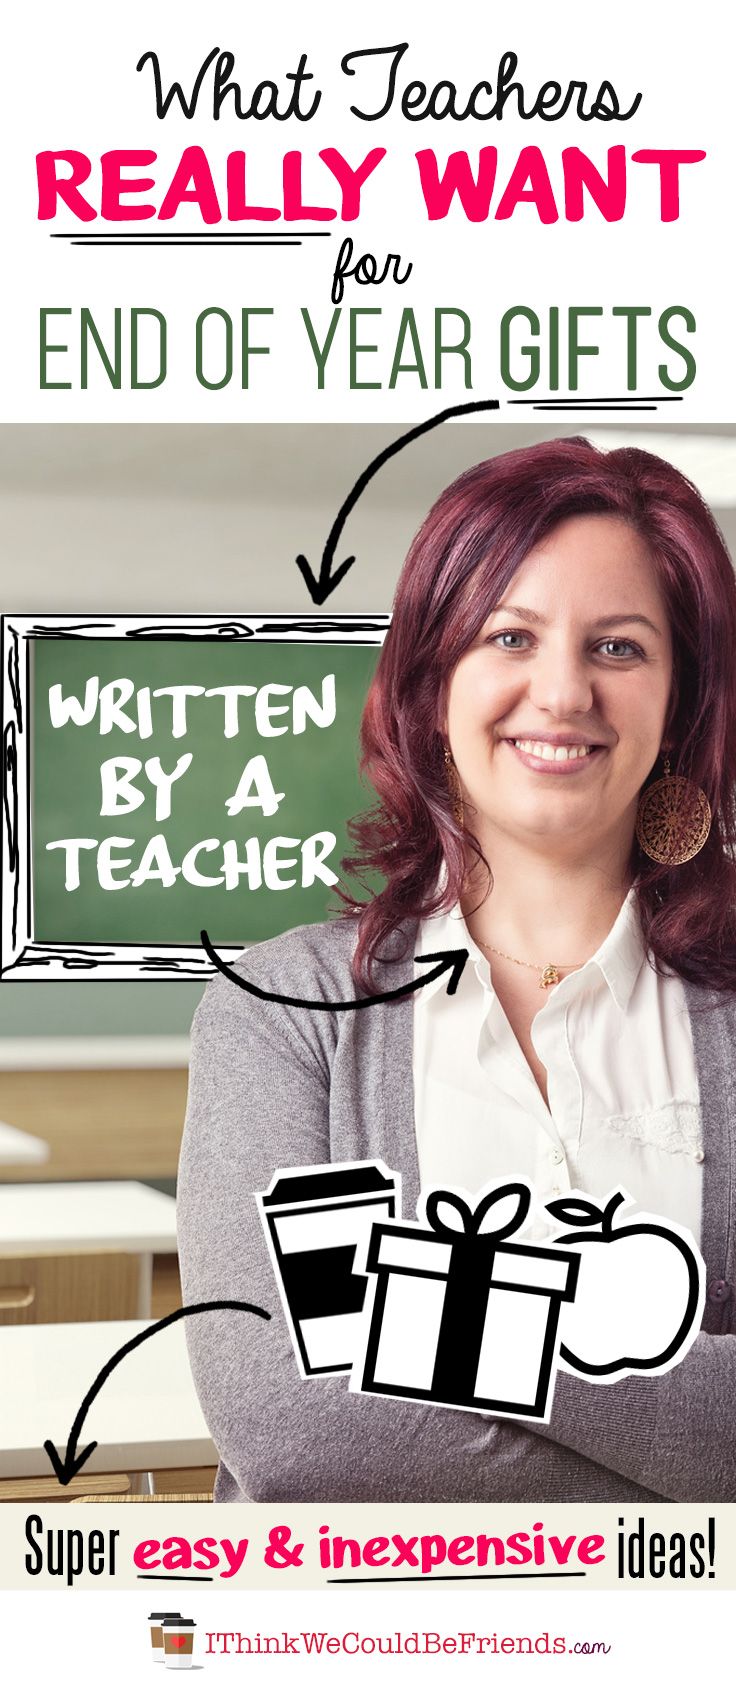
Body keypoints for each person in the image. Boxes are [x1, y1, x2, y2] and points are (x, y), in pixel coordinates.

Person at [177, 436, 736, 1503]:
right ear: (434, 682)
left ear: (680, 700)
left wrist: (419, 1322)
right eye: (509, 635)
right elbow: (290, 1425)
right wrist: (658, 1414)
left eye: (618, 648)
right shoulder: (283, 1013)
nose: (562, 690)